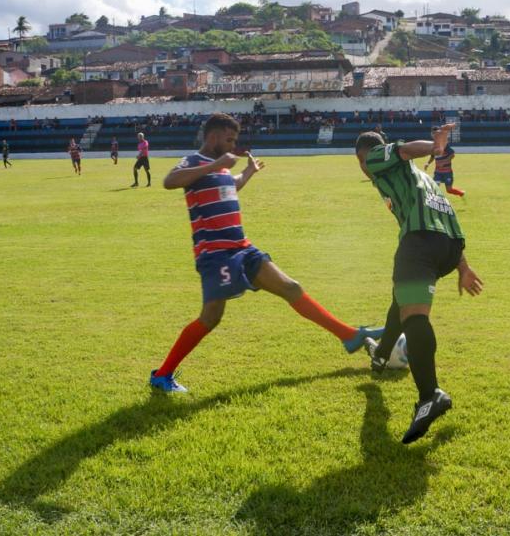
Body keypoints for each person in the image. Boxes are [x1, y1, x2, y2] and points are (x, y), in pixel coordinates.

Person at [150, 113, 384, 393]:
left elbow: (229, 186)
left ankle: (349, 336)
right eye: (229, 139)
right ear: (212, 137)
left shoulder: (222, 169)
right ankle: (162, 375)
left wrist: (247, 173)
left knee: (291, 287)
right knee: (210, 318)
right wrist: (216, 164)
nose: (233, 145)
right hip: (215, 255)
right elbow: (169, 181)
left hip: (242, 248)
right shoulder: (194, 162)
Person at [355, 124, 483, 444]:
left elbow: (403, 148)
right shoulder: (422, 179)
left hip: (420, 243)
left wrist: (434, 146)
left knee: (414, 315)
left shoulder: (373, 158)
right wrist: (461, 266)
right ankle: (382, 355)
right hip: (448, 247)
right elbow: (448, 217)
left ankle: (430, 395)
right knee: (402, 299)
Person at [424, 128, 465, 198]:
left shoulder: (444, 145)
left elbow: (452, 154)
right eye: (433, 133)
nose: (434, 135)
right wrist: (428, 163)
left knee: (449, 190)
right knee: (435, 187)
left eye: (436, 133)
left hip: (447, 172)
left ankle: (461, 193)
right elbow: (432, 156)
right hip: (438, 172)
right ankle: (436, 201)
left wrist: (445, 162)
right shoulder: (433, 145)